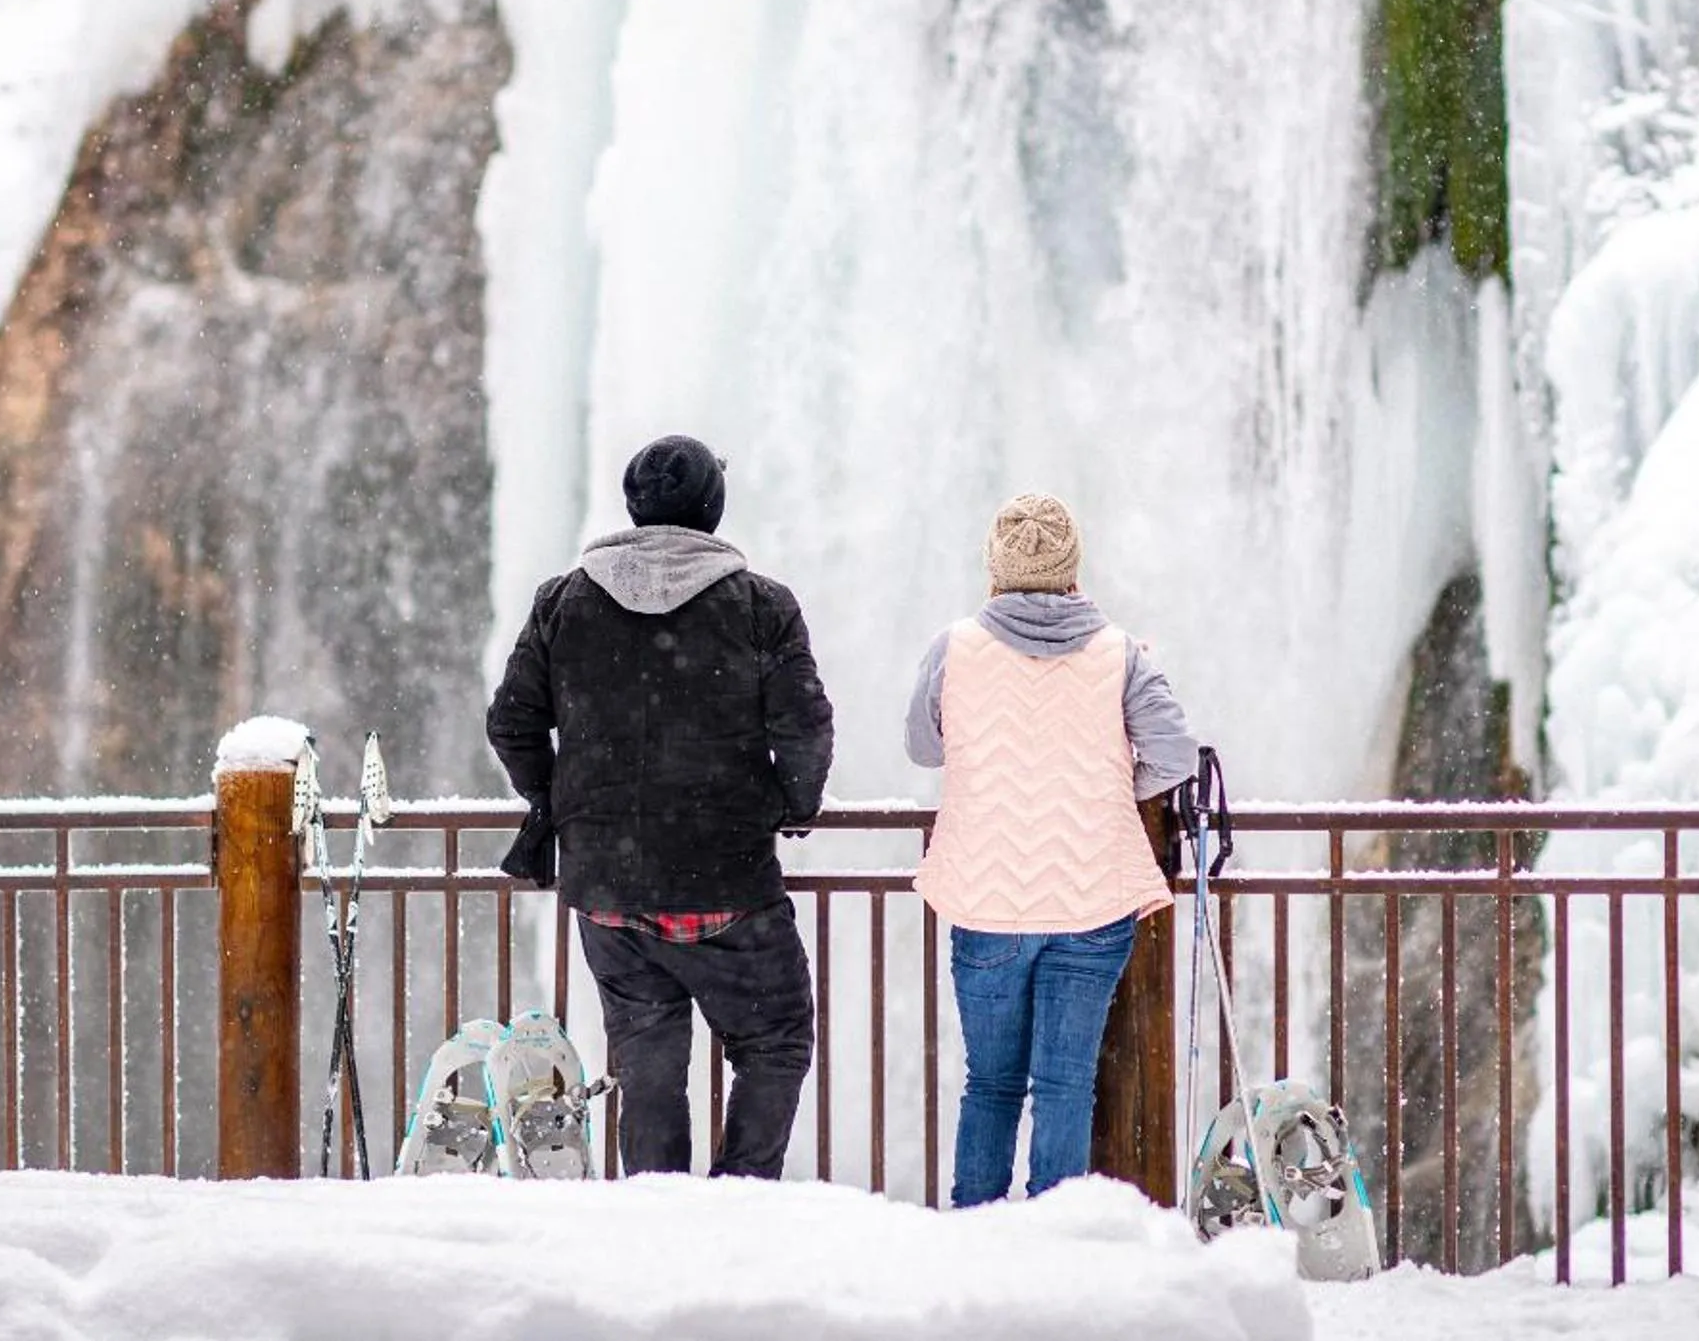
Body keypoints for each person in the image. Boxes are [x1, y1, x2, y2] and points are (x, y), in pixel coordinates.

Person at [487, 434, 835, 1180]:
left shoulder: (563, 599)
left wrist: (562, 802)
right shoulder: (760, 605)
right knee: (774, 1042)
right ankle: (741, 1194)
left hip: (608, 888)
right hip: (727, 878)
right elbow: (803, 725)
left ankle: (656, 1211)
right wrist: (790, 805)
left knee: (648, 1066)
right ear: (711, 509)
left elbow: (511, 720)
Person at [908, 491, 1197, 1207]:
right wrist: (1112, 784)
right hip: (1091, 900)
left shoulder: (955, 646)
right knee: (1065, 1082)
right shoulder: (1120, 652)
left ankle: (974, 1227)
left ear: (996, 570)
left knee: (991, 1082)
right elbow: (1175, 753)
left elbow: (921, 746)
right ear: (1072, 567)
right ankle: (1054, 1235)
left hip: (988, 900)